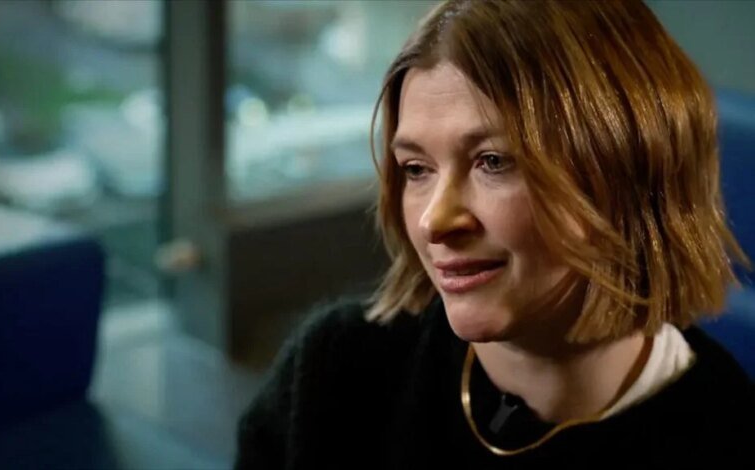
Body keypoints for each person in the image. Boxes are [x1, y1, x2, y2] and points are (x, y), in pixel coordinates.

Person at [235, 0, 753, 467]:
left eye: (493, 161)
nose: (434, 221)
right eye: (416, 169)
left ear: (630, 174)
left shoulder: (725, 437)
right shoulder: (332, 373)